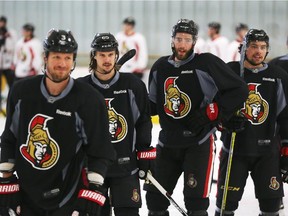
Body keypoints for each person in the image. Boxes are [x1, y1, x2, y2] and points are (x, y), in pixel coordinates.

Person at [0, 29, 116, 216]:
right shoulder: (21, 92)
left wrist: (94, 189)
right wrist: (6, 180)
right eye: (56, 57)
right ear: (45, 57)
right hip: (26, 195)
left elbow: (100, 150)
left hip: (67, 197)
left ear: (74, 60)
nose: (62, 64)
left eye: (67, 58)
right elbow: (9, 138)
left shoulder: (89, 99)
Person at [145, 18, 248, 216]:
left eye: (187, 39)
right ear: (172, 40)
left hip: (198, 143)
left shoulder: (206, 63)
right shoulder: (160, 67)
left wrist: (215, 112)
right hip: (167, 143)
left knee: (196, 204)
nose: (182, 44)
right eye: (178, 39)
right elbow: (152, 106)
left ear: (194, 42)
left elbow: (239, 89)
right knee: (154, 201)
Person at [78, 32, 154, 216]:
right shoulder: (81, 88)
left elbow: (143, 121)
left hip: (126, 167)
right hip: (92, 170)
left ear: (116, 56)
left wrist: (144, 154)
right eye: (102, 55)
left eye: (111, 54)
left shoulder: (133, 85)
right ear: (93, 56)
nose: (107, 59)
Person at [214, 29, 288, 216]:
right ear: (244, 48)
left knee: (271, 208)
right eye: (254, 46)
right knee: (225, 207)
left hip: (267, 154)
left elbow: (285, 116)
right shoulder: (229, 72)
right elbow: (213, 109)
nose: (259, 51)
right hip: (234, 150)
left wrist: (286, 150)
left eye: (263, 47)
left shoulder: (278, 76)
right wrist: (224, 122)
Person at [0, 16, 17, 113]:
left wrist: (6, 39)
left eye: (2, 22)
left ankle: (12, 105)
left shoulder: (10, 33)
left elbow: (13, 47)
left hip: (8, 65)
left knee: (12, 86)